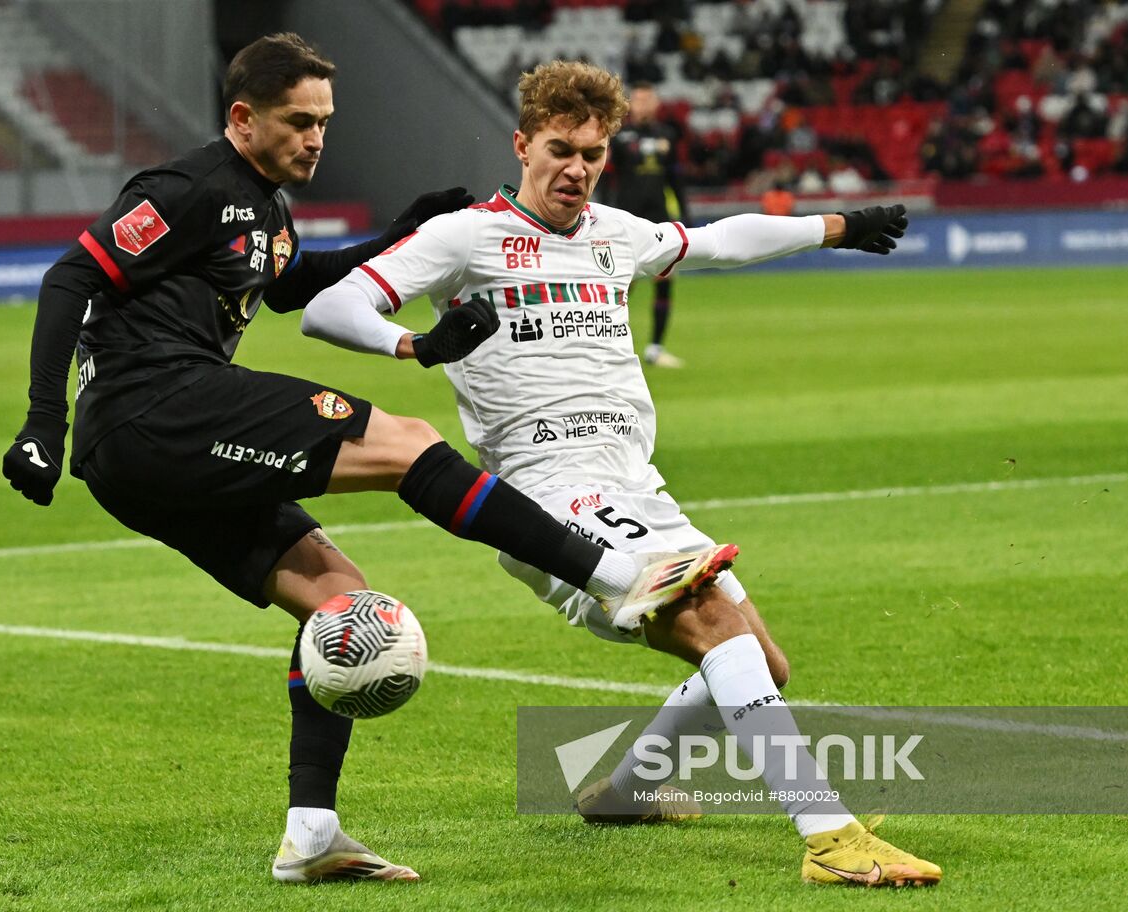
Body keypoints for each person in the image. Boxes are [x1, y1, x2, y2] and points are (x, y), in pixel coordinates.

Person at [1, 35, 723, 885]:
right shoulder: (188, 187)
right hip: (156, 406)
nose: (316, 139)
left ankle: (312, 835)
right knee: (409, 443)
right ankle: (613, 576)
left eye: (324, 123)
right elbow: (69, 279)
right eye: (298, 122)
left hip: (153, 457)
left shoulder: (264, 207)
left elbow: (283, 283)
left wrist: (393, 236)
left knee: (340, 606)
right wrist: (42, 421)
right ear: (242, 118)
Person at [302, 60, 940, 888]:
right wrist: (414, 345)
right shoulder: (465, 235)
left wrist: (837, 226)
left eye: (594, 155)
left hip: (632, 483)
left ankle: (625, 792)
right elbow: (331, 307)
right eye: (561, 150)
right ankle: (832, 839)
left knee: (760, 665)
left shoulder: (614, 230)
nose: (577, 169)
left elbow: (716, 243)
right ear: (523, 144)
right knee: (711, 621)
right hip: (547, 497)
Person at [602, 82, 688, 368]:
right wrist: (602, 212)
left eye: (647, 100)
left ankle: (655, 349)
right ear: (630, 105)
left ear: (655, 104)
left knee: (664, 281)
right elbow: (605, 178)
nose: (642, 105)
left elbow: (675, 179)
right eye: (637, 100)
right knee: (622, 285)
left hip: (659, 218)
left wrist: (684, 216)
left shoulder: (667, 135)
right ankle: (608, 346)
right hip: (626, 218)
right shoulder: (619, 137)